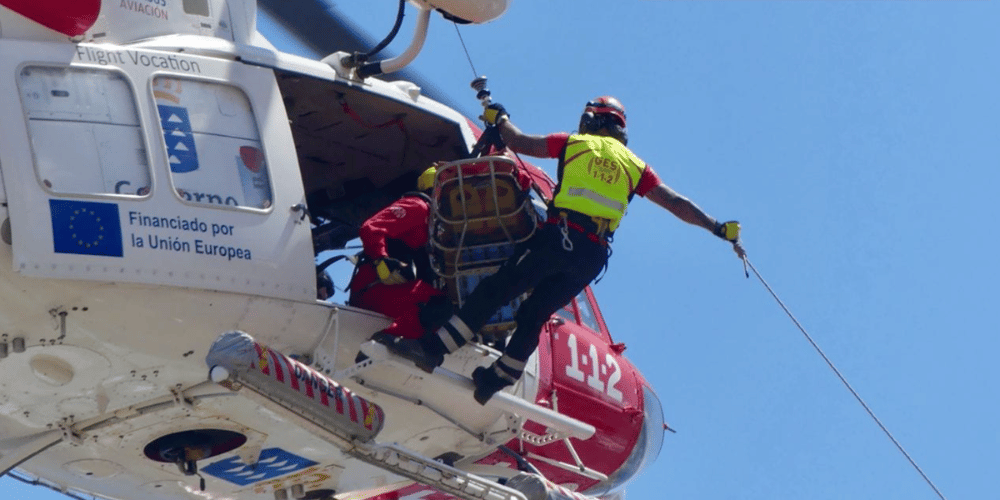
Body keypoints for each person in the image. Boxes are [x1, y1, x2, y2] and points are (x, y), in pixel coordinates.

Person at [381, 96, 745, 404]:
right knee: (535, 312)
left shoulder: (575, 143)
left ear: (591, 120)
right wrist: (717, 228)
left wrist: (499, 119)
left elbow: (521, 144)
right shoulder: (636, 168)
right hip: (592, 256)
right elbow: (676, 203)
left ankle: (432, 349)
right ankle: (495, 381)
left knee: (497, 289)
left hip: (560, 237)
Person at [349, 166, 450, 341]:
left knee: (444, 307)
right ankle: (391, 339)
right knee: (442, 305)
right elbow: (370, 228)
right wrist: (381, 260)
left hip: (387, 294)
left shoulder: (434, 226)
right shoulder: (418, 206)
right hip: (373, 289)